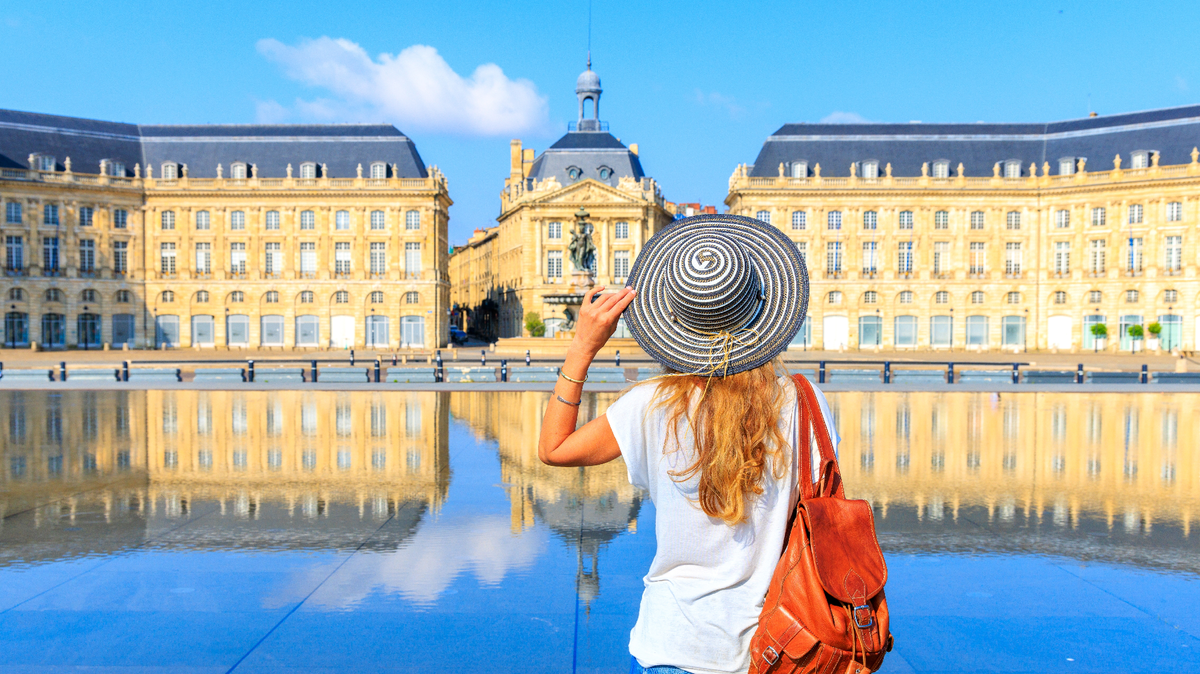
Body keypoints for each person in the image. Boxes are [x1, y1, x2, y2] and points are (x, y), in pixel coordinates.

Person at [538, 214, 838, 674]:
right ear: (760, 310)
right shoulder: (803, 400)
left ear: (675, 318)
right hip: (782, 642)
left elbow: (554, 449)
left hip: (674, 642)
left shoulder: (651, 404)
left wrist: (582, 346)